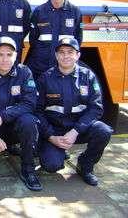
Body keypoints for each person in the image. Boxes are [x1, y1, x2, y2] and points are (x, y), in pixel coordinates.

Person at [36, 38, 112, 186]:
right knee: (51, 166)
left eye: (70, 52)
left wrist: (75, 131)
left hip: (79, 129)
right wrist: (51, 136)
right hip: (55, 131)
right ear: (56, 55)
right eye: (62, 52)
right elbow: (37, 111)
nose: (66, 56)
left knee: (103, 130)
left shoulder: (88, 76)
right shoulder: (45, 78)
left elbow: (96, 108)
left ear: (78, 55)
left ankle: (85, 165)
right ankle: (53, 151)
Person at [0, 36, 42, 191]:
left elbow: (30, 103)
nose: (5, 59)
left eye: (9, 54)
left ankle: (28, 170)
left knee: (29, 121)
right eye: (0, 54)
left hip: (15, 128)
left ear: (16, 55)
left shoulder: (24, 73)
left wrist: (2, 115)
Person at [25, 0, 82, 80]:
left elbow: (78, 39)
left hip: (63, 67)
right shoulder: (39, 11)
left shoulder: (75, 12)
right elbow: (33, 39)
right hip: (41, 66)